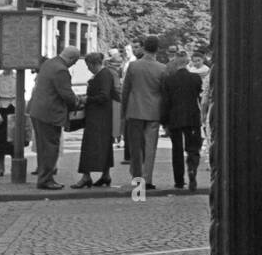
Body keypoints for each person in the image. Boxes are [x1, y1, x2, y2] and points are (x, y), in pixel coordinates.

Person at [26, 45, 81, 190]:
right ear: (71, 59)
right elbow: (66, 95)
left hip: (37, 111)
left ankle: (43, 177)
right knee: (51, 147)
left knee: (43, 147)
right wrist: (77, 103)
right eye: (74, 62)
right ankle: (46, 180)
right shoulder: (61, 70)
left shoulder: (49, 63)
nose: (74, 65)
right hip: (49, 114)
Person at [121, 34, 168, 189]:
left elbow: (126, 90)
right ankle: (147, 179)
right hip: (153, 111)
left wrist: (123, 111)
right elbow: (164, 92)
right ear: (157, 49)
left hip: (134, 110)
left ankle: (137, 179)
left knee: (135, 148)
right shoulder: (162, 68)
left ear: (143, 47)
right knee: (150, 147)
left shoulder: (134, 66)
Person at [161, 51, 203, 192]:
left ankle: (179, 180)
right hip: (192, 117)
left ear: (176, 63)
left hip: (175, 118)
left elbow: (166, 102)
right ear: (187, 62)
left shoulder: (169, 80)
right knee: (193, 147)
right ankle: (192, 169)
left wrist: (164, 122)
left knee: (177, 150)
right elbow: (199, 96)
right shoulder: (195, 78)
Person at [73, 51, 116, 189]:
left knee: (89, 146)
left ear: (92, 64)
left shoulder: (103, 76)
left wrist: (87, 99)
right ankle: (105, 175)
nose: (87, 68)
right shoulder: (105, 74)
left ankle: (86, 176)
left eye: (88, 65)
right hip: (102, 116)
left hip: (98, 117)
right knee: (104, 146)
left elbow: (103, 96)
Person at [0, 67, 31, 177]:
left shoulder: (17, 77)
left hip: (15, 108)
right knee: (0, 139)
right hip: (2, 109)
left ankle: (15, 164)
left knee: (14, 138)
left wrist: (23, 111)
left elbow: (22, 94)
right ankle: (1, 166)